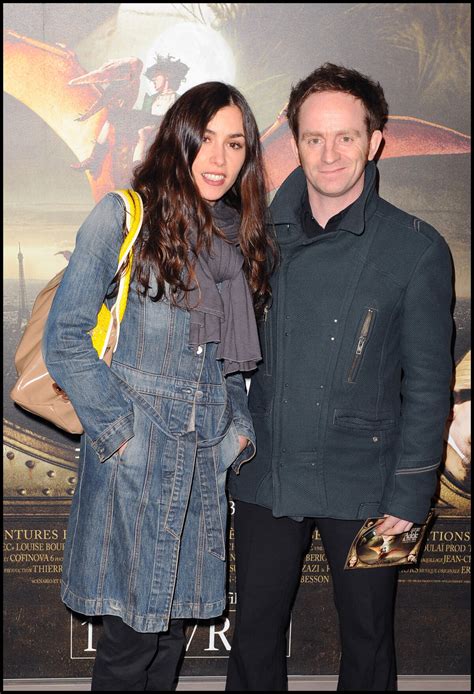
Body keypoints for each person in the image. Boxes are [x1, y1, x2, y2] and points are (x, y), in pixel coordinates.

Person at [226, 63, 453, 691]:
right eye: (314, 138)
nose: (329, 154)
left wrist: (409, 497)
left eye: (346, 137)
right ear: (294, 142)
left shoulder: (417, 248)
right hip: (266, 475)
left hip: (370, 486)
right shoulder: (254, 237)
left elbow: (430, 388)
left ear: (375, 140)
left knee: (369, 639)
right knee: (255, 637)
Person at [43, 81, 275, 691]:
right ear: (179, 138)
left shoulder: (233, 240)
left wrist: (237, 433)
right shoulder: (122, 215)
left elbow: (228, 365)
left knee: (170, 638)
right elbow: (64, 339)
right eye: (207, 141)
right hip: (137, 465)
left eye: (235, 145)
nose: (220, 161)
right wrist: (122, 435)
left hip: (200, 466)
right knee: (128, 643)